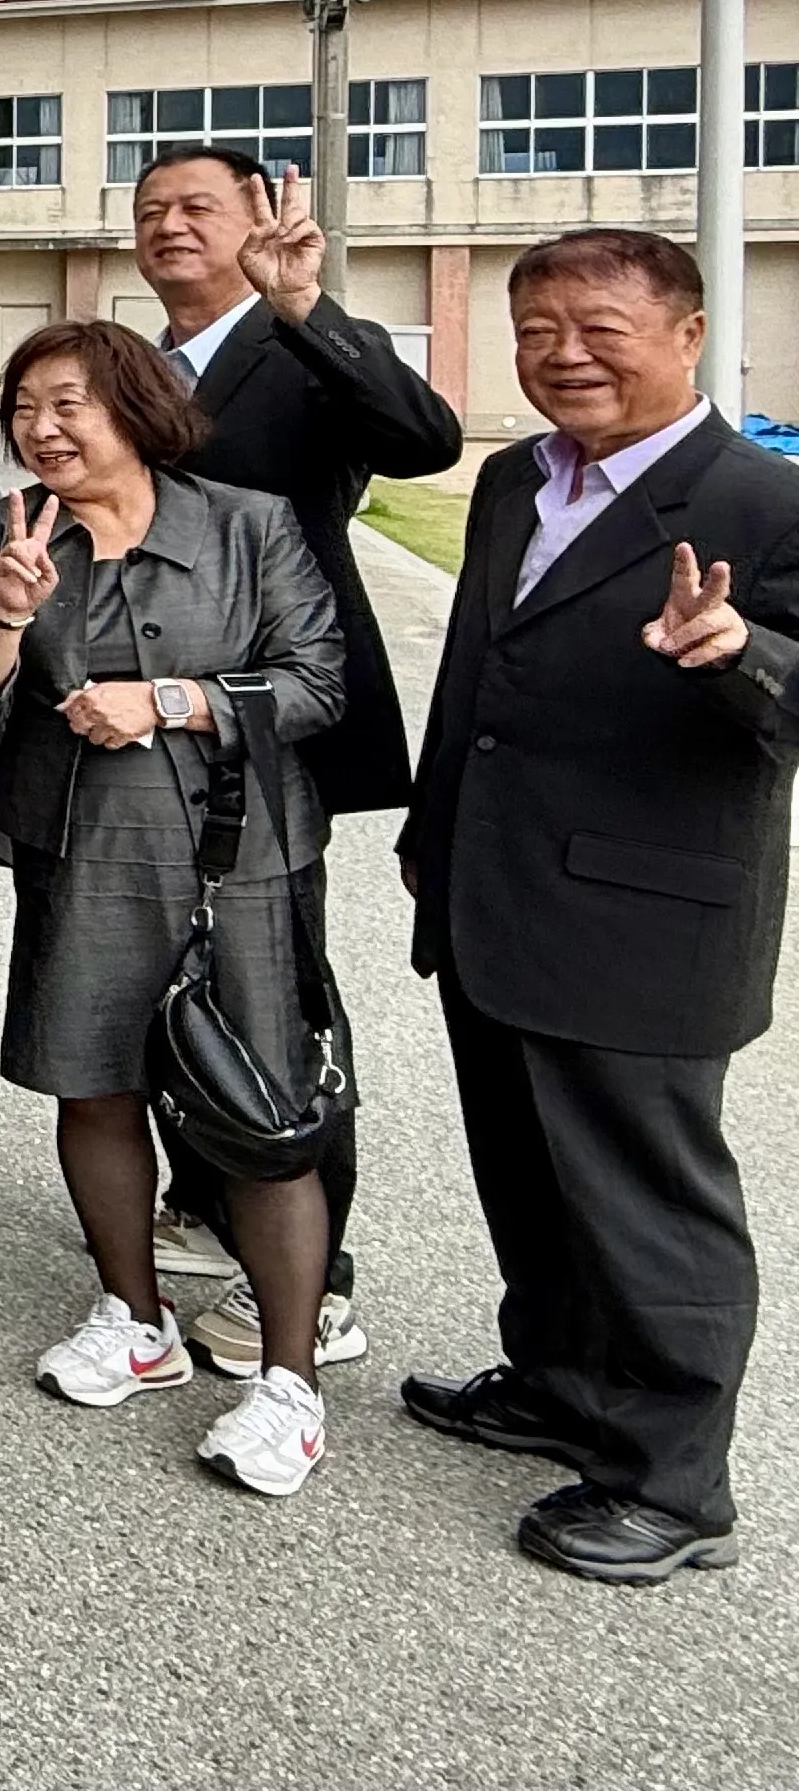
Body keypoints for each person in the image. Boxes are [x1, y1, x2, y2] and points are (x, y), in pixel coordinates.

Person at [400, 229, 796, 1583]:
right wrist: (432, 830)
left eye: (601, 330)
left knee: (648, 1203)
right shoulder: (516, 478)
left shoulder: (762, 501)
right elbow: (475, 668)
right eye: (537, 330)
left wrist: (739, 653)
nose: (564, 355)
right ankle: (560, 1384)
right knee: (526, 1171)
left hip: (648, 918)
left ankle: (674, 1484)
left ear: (688, 335)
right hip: (492, 886)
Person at [0, 319, 349, 1497]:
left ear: (137, 408)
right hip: (80, 850)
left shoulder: (248, 525)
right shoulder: (8, 531)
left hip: (237, 859)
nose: (42, 429)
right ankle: (135, 1317)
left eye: (69, 404)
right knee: (94, 1083)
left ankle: (290, 1380)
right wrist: (6, 616)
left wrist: (169, 700)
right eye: (24, 408)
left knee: (258, 1109)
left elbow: (319, 682)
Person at [128, 143, 462, 1373]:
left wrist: (309, 306)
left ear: (257, 222)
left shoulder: (297, 346)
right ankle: (208, 1200)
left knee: (276, 983)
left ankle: (318, 1279)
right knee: (168, 961)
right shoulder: (138, 366)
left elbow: (424, 440)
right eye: (151, 210)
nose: (170, 226)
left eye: (197, 207)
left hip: (277, 711)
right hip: (150, 715)